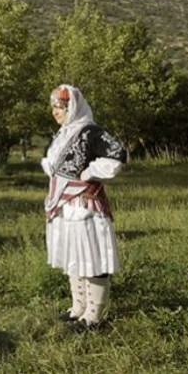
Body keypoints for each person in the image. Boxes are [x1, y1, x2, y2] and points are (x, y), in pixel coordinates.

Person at [43, 85, 127, 331]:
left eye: (60, 107)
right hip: (65, 205)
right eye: (54, 107)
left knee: (92, 257)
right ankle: (78, 307)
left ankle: (94, 316)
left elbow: (118, 155)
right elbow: (51, 162)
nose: (55, 112)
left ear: (72, 107)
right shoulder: (61, 134)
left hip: (86, 205)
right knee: (74, 256)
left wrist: (90, 171)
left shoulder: (91, 132)